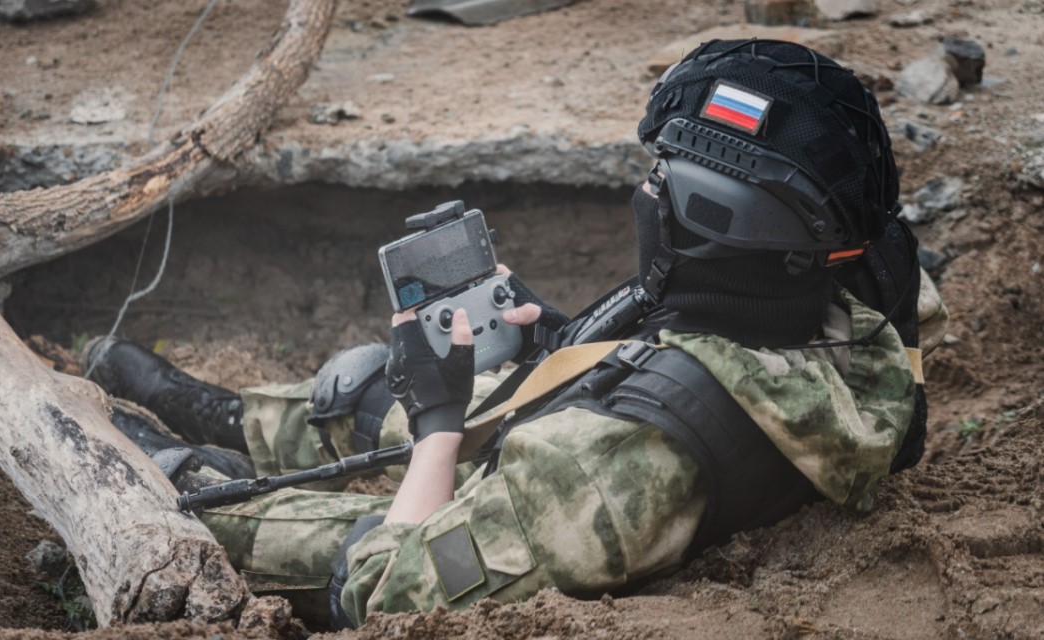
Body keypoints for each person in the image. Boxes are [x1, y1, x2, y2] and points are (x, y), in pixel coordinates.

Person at [85, 39, 949, 629]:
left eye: (662, 179)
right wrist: (567, 343)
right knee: (373, 387)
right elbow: (695, 364)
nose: (647, 192)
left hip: (605, 490)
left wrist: (437, 426)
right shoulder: (850, 295)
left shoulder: (591, 469)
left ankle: (185, 474)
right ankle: (236, 420)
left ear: (712, 222)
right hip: (665, 443)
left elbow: (388, 593)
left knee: (335, 509)